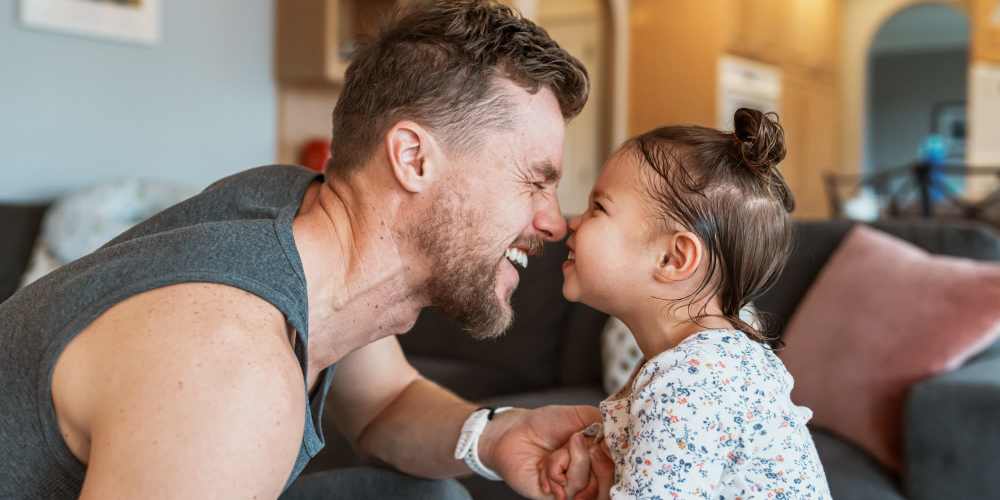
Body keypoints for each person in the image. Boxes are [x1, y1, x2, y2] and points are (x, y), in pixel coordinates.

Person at [0, 1, 612, 499]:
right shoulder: (229, 372)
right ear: (413, 158)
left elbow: (384, 405)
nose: (553, 222)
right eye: (534, 181)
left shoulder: (293, 215)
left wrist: (494, 436)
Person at [538, 109, 833, 499]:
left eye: (599, 208)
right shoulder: (694, 365)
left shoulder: (689, 383)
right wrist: (593, 446)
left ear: (673, 259)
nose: (571, 222)